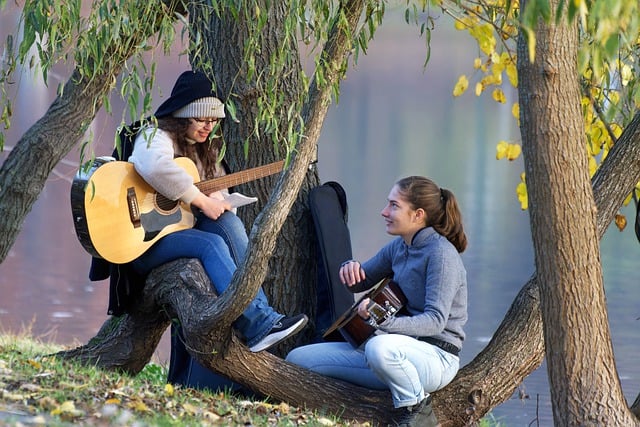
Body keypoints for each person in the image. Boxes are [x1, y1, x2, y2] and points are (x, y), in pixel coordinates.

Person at [126, 69, 308, 354]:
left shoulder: (206, 149)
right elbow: (152, 166)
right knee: (210, 244)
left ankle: (264, 320)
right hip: (141, 237)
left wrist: (220, 201)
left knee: (229, 225)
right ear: (182, 115)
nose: (208, 126)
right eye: (202, 119)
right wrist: (199, 198)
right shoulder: (156, 134)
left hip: (175, 229)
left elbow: (214, 199)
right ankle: (258, 323)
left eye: (214, 120)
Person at [286, 176, 468, 427]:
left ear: (418, 215)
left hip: (435, 358)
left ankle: (420, 416)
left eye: (394, 205)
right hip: (391, 351)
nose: (384, 212)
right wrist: (348, 268)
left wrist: (381, 322)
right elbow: (360, 280)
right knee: (298, 359)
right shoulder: (399, 247)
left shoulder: (441, 254)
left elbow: (435, 321)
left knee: (379, 348)